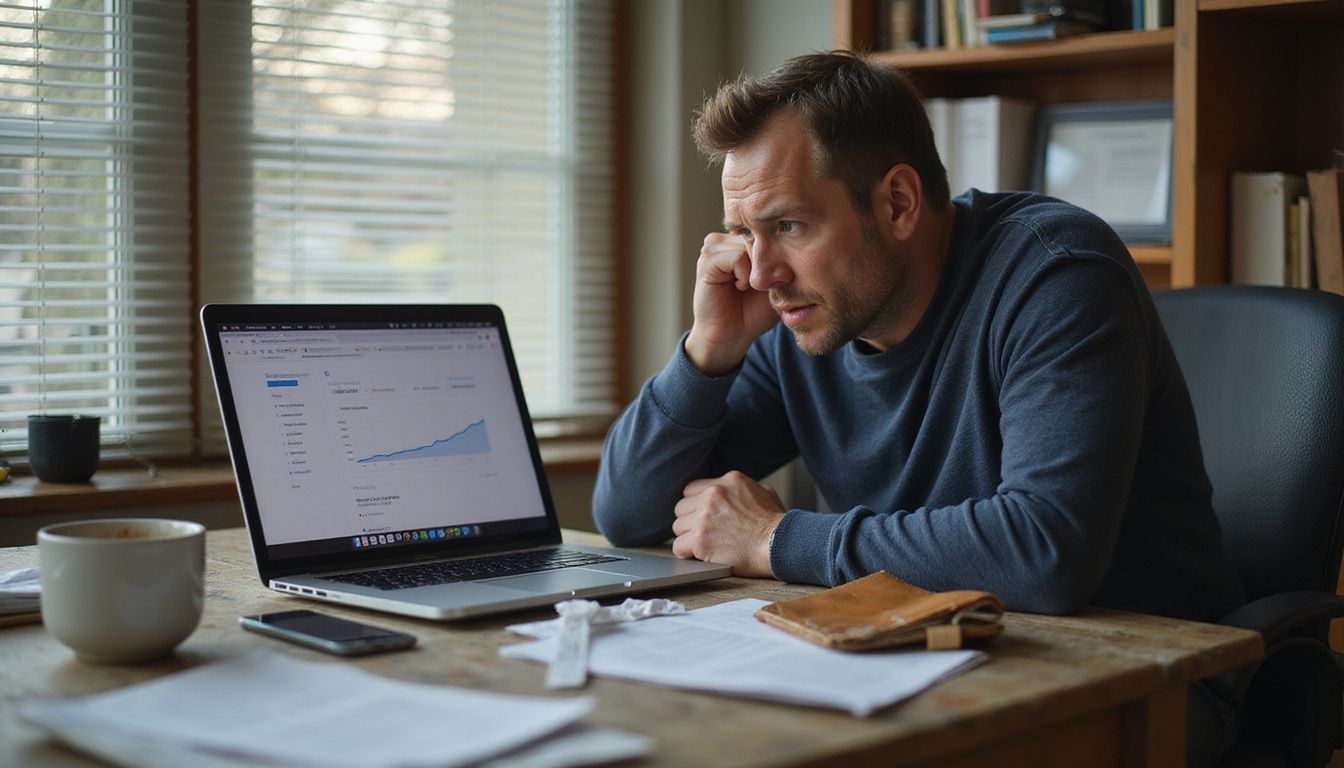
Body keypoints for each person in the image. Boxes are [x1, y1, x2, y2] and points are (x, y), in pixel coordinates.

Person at [592, 51, 1244, 764]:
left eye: (789, 227)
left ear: (897, 202)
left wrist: (773, 541)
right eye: (744, 233)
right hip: (920, 662)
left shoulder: (1055, 274)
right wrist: (707, 350)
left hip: (1141, 688)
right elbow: (630, 514)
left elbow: (1045, 550)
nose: (760, 272)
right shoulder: (804, 319)